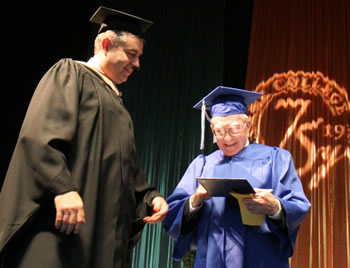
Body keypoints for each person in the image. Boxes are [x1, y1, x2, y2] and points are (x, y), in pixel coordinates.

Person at [0, 6, 168, 268]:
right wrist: (62, 188)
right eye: (131, 54)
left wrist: (149, 198)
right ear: (105, 45)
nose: (137, 64)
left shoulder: (118, 105)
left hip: (100, 235)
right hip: (62, 227)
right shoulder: (70, 74)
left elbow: (127, 169)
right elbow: (42, 135)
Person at [163, 86, 311, 268]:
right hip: (212, 261)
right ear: (211, 129)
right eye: (219, 131)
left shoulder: (275, 159)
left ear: (248, 126)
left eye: (234, 129)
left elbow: (298, 205)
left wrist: (275, 208)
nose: (227, 138)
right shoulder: (201, 166)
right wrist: (194, 202)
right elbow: (172, 212)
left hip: (261, 260)